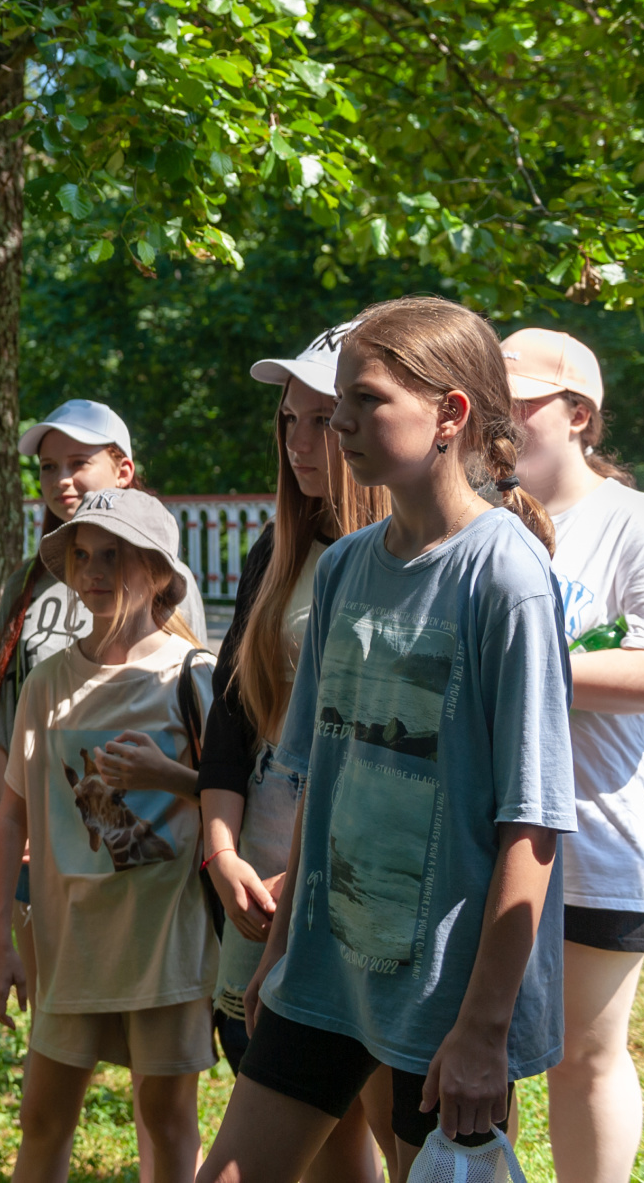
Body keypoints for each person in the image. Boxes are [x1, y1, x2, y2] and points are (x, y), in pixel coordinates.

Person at [199, 296, 576, 1183]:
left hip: (446, 999)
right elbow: (321, 783)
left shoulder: (506, 577)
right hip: (325, 970)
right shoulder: (342, 567)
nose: (338, 420)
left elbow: (535, 823)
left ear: (451, 415)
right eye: (339, 402)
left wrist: (483, 1030)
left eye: (367, 400)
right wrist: (284, 945)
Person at [496, 327, 644, 1183]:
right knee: (478, 1051)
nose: (496, 422)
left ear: (577, 413)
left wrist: (524, 664)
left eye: (519, 401)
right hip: (489, 834)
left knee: (585, 1055)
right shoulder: (483, 517)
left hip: (598, 837)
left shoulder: (636, 521)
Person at [0, 399, 205, 1169]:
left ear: (158, 571)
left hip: (163, 942)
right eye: (83, 556)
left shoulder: (195, 677)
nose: (97, 572)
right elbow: (13, 816)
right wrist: (1, 934)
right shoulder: (46, 682)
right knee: (43, 1117)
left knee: (165, 1114)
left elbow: (230, 801)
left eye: (118, 554)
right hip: (68, 939)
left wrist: (167, 773)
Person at [196, 323, 390, 1182]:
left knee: (392, 1121)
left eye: (325, 417)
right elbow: (232, 723)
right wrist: (222, 850)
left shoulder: (420, 562)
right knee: (322, 1135)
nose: (304, 442)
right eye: (290, 420)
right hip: (264, 872)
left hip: (367, 890)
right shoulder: (274, 551)